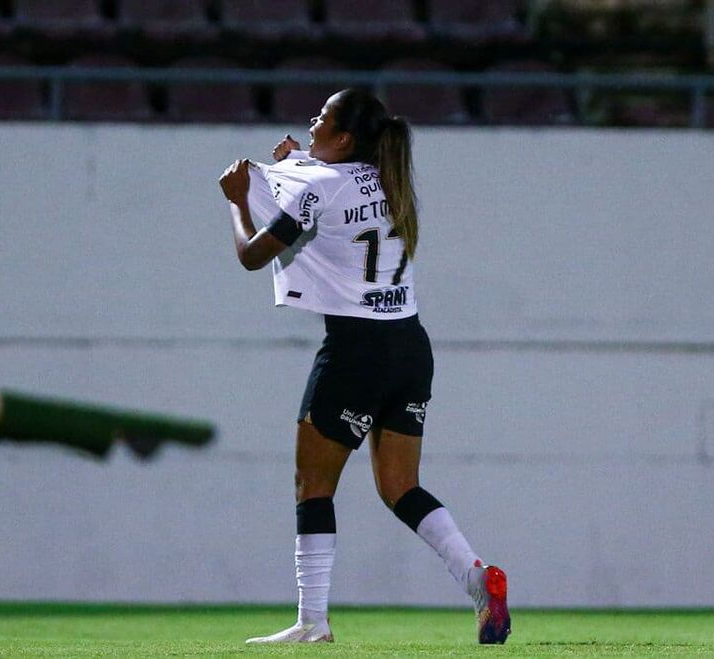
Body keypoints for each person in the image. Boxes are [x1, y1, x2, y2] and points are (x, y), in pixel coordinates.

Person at [217, 88, 510, 645]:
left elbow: (253, 254)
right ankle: (477, 576)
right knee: (401, 486)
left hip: (356, 350)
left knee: (313, 484)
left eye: (322, 117)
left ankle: (312, 623)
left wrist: (236, 198)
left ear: (345, 137)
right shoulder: (389, 180)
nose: (311, 120)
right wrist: (291, 162)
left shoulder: (320, 185)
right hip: (410, 347)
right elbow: (331, 186)